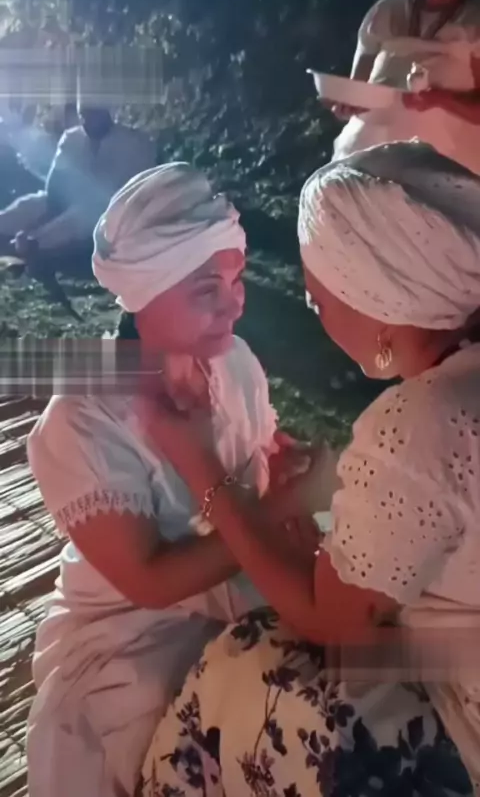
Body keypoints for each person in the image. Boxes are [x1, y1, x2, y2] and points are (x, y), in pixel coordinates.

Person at [139, 141, 480, 796]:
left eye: (318, 292)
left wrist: (204, 473)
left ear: (378, 299)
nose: (310, 305)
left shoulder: (419, 423)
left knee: (253, 658)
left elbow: (337, 623)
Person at [25, 162, 328, 797]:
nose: (234, 302)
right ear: (144, 293)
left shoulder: (234, 363)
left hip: (242, 578)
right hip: (132, 633)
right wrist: (280, 507)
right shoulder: (83, 418)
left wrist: (283, 472)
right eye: (205, 288)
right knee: (183, 721)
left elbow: (259, 463)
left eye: (236, 280)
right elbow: (151, 583)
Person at [329, 0, 480, 174]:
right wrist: (346, 103)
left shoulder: (475, 22)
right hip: (366, 163)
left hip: (443, 173)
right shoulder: (384, 12)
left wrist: (441, 99)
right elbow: (356, 91)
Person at [0, 99, 155, 258]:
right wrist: (51, 206)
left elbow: (141, 190)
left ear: (106, 113)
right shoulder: (72, 137)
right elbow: (55, 184)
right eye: (84, 116)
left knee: (82, 216)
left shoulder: (135, 142)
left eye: (93, 115)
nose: (87, 121)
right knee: (30, 204)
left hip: (114, 210)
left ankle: (33, 244)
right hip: (72, 200)